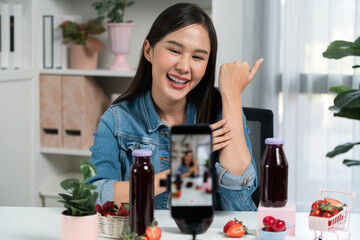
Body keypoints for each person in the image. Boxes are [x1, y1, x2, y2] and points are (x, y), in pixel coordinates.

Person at [88, 2, 263, 211]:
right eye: (174, 50)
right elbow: (95, 196)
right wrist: (185, 164)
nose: (183, 67)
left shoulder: (222, 109)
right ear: (148, 51)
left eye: (197, 57)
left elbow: (238, 199)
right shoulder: (116, 121)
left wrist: (232, 95)